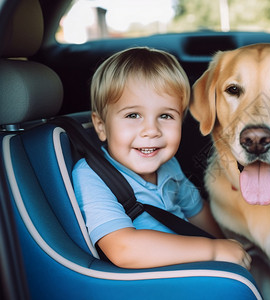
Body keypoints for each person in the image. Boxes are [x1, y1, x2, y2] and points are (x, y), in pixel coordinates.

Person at [72, 47, 251, 269]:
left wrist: (225, 244)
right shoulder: (92, 176)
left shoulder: (168, 165)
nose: (151, 130)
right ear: (101, 126)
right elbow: (123, 249)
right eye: (133, 115)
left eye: (165, 116)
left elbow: (197, 212)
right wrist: (213, 251)